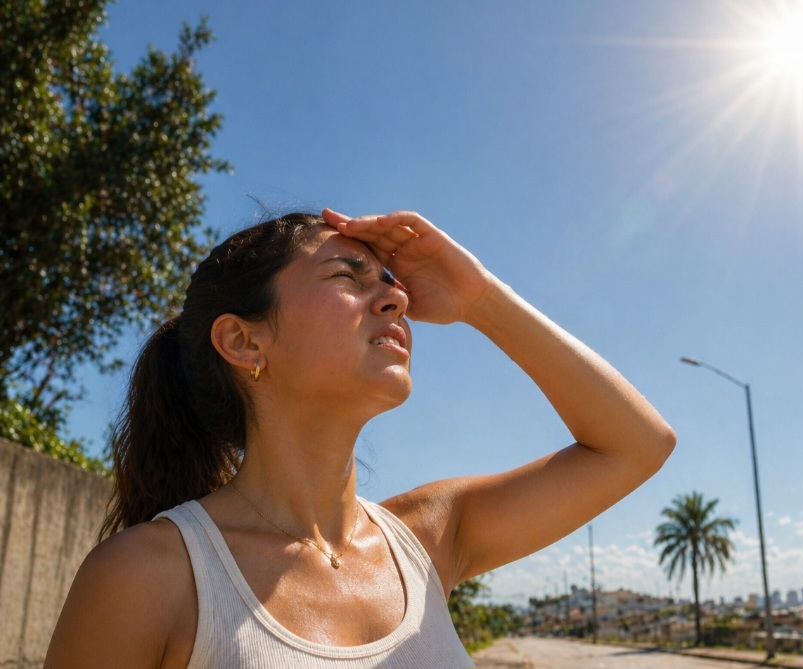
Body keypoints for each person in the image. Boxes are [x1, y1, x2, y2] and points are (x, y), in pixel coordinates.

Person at [44, 209, 675, 668]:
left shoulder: (427, 538)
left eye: (391, 282)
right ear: (244, 341)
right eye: (350, 276)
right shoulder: (147, 576)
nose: (395, 298)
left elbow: (638, 444)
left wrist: (479, 296)